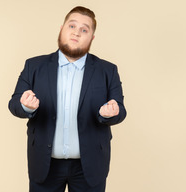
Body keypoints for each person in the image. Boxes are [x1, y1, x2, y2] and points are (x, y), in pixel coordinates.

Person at [8, 6, 127, 192]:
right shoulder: (34, 66)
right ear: (62, 28)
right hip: (44, 164)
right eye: (72, 26)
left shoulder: (107, 70)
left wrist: (110, 113)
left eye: (84, 29)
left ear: (92, 38)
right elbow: (14, 104)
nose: (76, 33)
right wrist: (26, 107)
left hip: (90, 166)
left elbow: (120, 109)